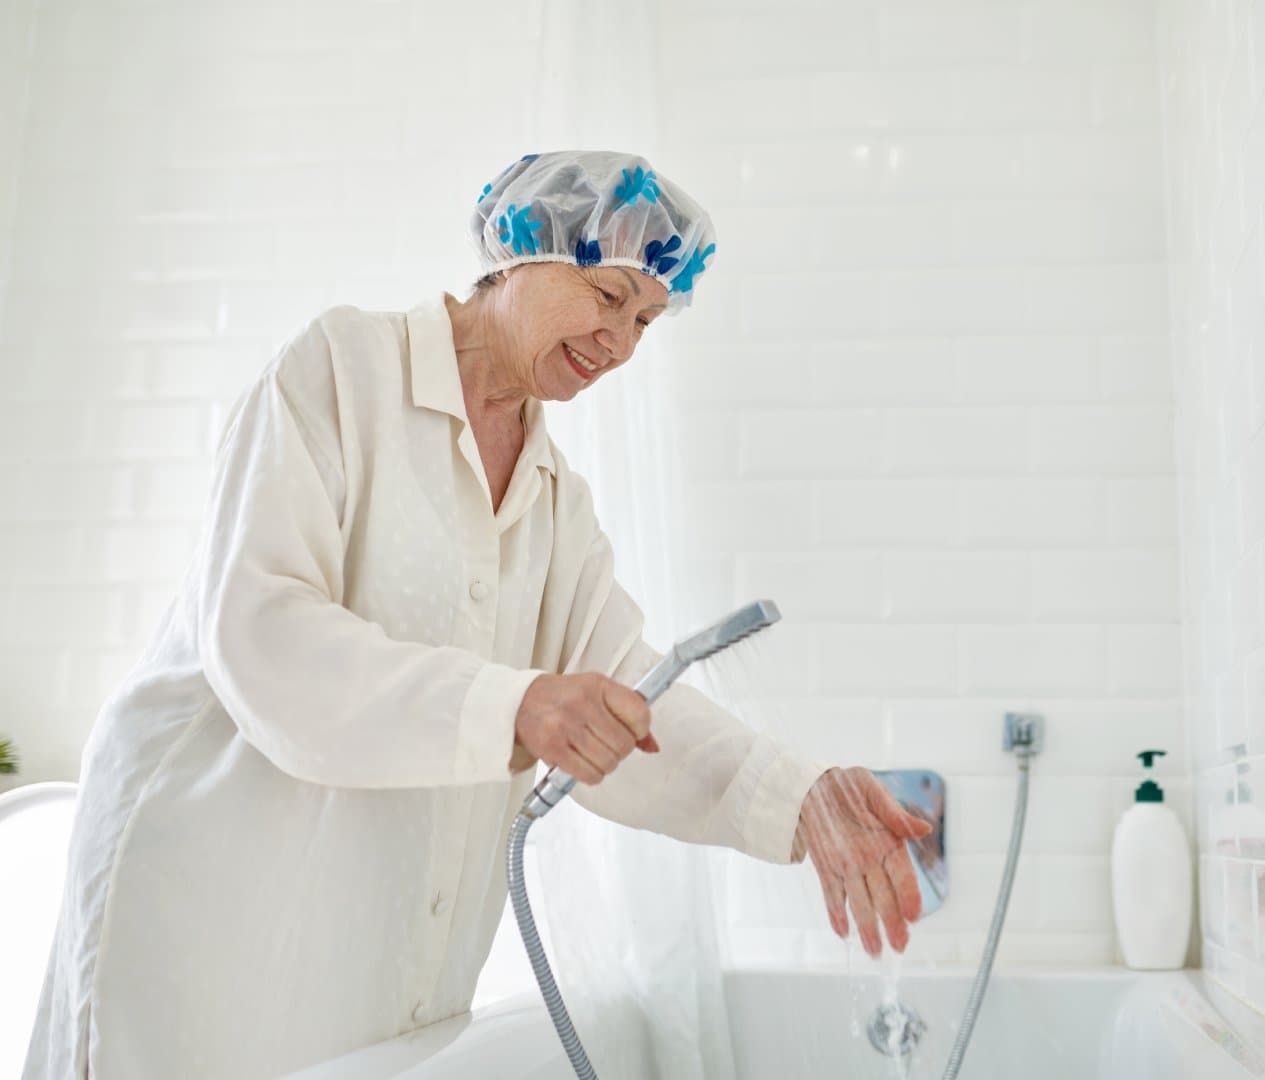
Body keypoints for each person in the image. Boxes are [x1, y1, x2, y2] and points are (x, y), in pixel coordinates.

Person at [22, 150, 932, 1079]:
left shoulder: (551, 498)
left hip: (373, 949)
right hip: (208, 899)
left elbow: (630, 701)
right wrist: (518, 707)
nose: (621, 341)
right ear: (518, 252)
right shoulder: (341, 371)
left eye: (648, 321)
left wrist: (800, 796)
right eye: (608, 296)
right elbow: (264, 634)